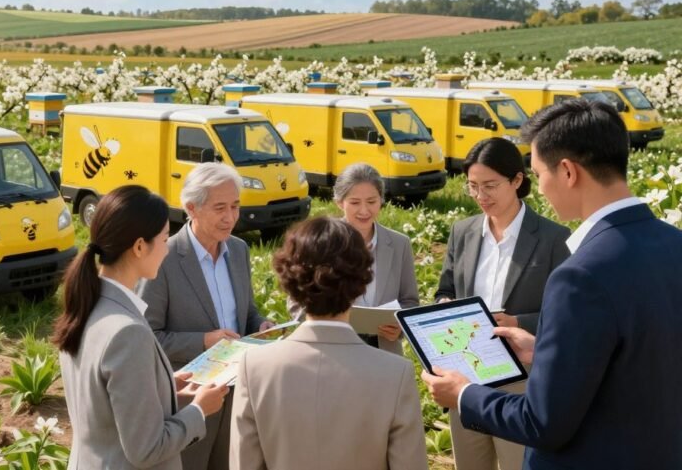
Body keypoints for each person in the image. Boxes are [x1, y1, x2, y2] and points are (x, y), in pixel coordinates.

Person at [422, 99, 682, 470]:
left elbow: (543, 422)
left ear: (568, 172)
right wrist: (544, 348)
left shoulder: (580, 275)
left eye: (539, 173)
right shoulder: (674, 244)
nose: (539, 188)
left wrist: (463, 394)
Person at [230, 216, 429, 470]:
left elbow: (244, 463)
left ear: (290, 283)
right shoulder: (395, 374)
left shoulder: (254, 366)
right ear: (361, 282)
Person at [55, 185, 229, 470]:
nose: (167, 249)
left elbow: (101, 405)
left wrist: (163, 389)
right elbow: (146, 449)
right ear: (139, 247)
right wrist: (199, 409)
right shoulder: (127, 332)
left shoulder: (86, 306)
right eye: (164, 239)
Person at [435, 138, 570, 470]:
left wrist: (518, 323)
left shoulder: (554, 238)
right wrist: (445, 307)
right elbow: (445, 289)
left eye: (490, 186)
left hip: (522, 376)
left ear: (517, 180)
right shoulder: (462, 232)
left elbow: (566, 315)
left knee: (517, 463)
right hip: (466, 372)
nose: (482, 196)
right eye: (473, 187)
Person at [137, 163, 272, 470]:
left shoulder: (238, 250)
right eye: (220, 207)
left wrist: (261, 325)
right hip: (187, 401)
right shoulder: (164, 258)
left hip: (235, 395)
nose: (230, 217)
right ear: (191, 208)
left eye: (236, 206)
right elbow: (146, 338)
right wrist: (204, 341)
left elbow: (246, 311)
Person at [288, 163, 419, 354]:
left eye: (372, 202)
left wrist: (400, 328)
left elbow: (410, 301)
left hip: (383, 350)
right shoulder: (320, 243)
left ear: (381, 200)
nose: (364, 211)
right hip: (331, 350)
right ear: (340, 202)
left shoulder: (400, 244)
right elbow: (296, 303)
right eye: (355, 202)